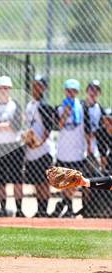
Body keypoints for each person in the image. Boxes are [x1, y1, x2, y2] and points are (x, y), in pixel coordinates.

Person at [52, 79, 90, 218]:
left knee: (74, 182)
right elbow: (58, 126)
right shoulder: (60, 108)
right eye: (68, 90)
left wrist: (89, 147)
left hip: (77, 151)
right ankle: (67, 205)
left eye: (74, 91)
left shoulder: (82, 107)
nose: (71, 93)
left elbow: (87, 129)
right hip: (63, 151)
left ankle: (66, 205)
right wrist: (65, 113)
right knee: (65, 181)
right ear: (65, 91)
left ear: (77, 92)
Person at [0, 76, 24, 217]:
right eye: (1, 88)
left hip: (14, 146)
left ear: (10, 89)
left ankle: (19, 209)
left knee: (16, 180)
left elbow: (16, 126)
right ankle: (4, 209)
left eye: (6, 88)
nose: (3, 90)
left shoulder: (15, 105)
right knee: (1, 181)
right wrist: (5, 126)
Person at [23, 76, 55, 217]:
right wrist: (28, 140)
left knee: (44, 183)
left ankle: (44, 211)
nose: (36, 88)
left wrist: (38, 143)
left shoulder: (45, 106)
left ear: (44, 88)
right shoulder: (29, 105)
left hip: (43, 151)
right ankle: (38, 210)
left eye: (39, 85)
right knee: (36, 182)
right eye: (34, 85)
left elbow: (48, 130)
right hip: (31, 151)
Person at [80, 80, 106, 212]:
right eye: (91, 89)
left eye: (96, 89)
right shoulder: (81, 106)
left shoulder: (99, 108)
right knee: (82, 178)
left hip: (94, 149)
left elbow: (101, 131)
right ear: (87, 90)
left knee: (92, 178)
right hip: (80, 148)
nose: (94, 92)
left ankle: (90, 206)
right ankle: (84, 205)